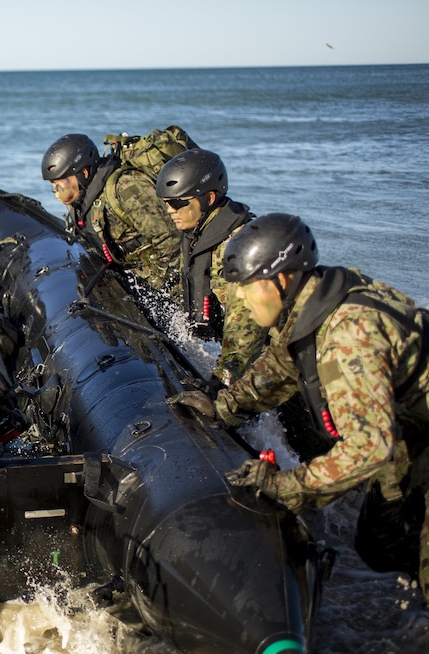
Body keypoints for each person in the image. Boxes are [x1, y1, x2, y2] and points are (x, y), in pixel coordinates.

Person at [167, 213, 429, 604]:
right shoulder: (316, 300)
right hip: (409, 426)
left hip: (405, 433)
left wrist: (285, 487)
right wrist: (223, 407)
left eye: (247, 286)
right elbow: (280, 367)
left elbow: (369, 447)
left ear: (282, 279)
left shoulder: (347, 335)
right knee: (379, 543)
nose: (238, 297)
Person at [154, 148, 266, 384]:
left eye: (176, 203)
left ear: (209, 198)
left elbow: (246, 333)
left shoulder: (233, 249)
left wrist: (219, 385)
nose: (169, 211)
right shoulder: (197, 232)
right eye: (166, 203)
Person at [41, 133, 181, 292]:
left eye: (61, 184)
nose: (57, 192)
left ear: (84, 173)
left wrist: (167, 289)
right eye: (54, 186)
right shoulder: (80, 201)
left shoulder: (126, 188)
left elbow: (170, 237)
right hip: (131, 275)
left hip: (160, 277)